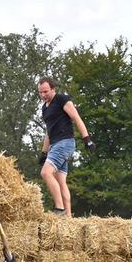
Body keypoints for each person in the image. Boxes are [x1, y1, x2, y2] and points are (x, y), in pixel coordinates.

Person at [37, 77, 94, 216]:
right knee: (60, 181)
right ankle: (68, 217)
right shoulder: (45, 108)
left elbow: (76, 117)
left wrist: (87, 139)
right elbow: (48, 131)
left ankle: (59, 209)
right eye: (40, 92)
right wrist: (44, 152)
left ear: (53, 89)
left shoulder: (62, 99)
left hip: (64, 143)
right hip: (54, 145)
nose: (43, 95)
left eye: (46, 91)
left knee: (45, 173)